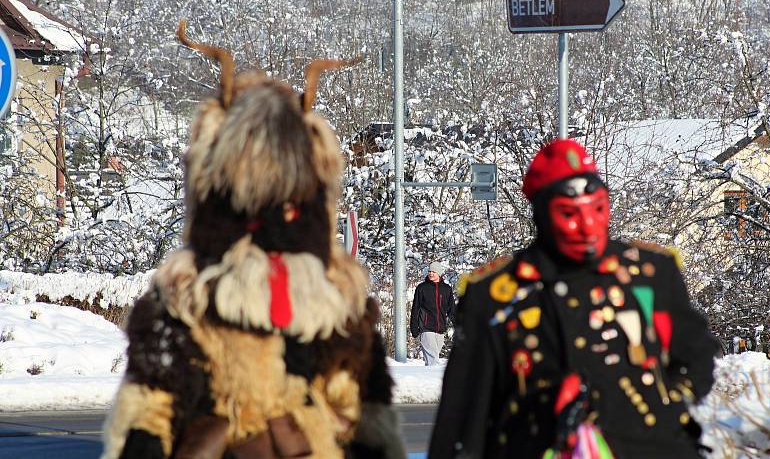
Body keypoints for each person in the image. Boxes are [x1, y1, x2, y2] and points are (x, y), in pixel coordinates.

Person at [101, 22, 404, 459]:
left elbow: (363, 411)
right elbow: (152, 408)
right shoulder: (186, 298)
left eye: (287, 204)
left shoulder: (337, 302)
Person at [430, 138, 718, 459]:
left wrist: (667, 405)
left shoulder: (650, 273)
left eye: (597, 210)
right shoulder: (495, 294)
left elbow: (696, 354)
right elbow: (463, 412)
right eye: (569, 214)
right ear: (542, 213)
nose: (587, 227)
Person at [410, 261, 456, 366]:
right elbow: (415, 308)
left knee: (431, 360)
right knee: (433, 360)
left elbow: (451, 310)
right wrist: (414, 327)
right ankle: (436, 381)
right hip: (426, 328)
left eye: (433, 272)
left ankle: (426, 381)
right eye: (430, 271)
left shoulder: (446, 289)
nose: (431, 273)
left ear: (439, 273)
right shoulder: (422, 288)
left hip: (440, 329)